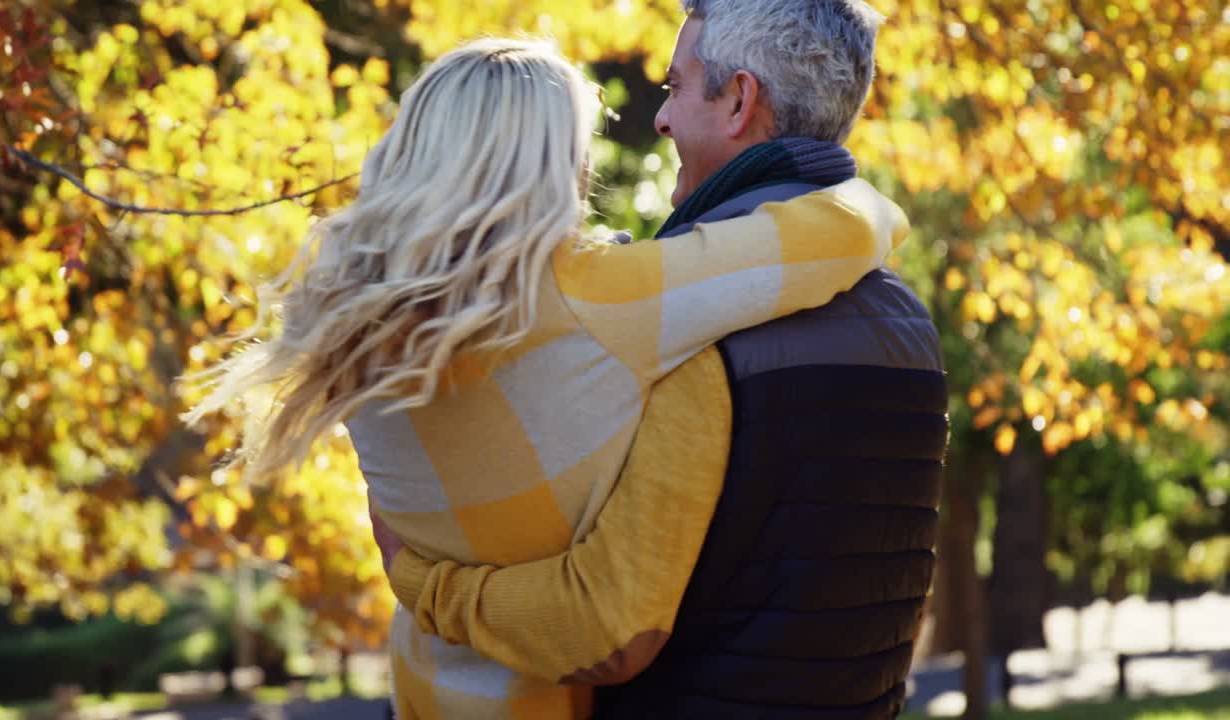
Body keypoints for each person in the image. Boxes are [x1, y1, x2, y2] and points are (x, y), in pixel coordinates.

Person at [182, 35, 909, 720]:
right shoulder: (599, 301)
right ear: (553, 163)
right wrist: (876, 200)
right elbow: (844, 229)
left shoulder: (357, 330)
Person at [372, 2, 949, 718]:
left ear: (739, 100)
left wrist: (421, 580)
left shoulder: (702, 332)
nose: (661, 120)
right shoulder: (904, 319)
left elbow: (607, 629)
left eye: (675, 88)